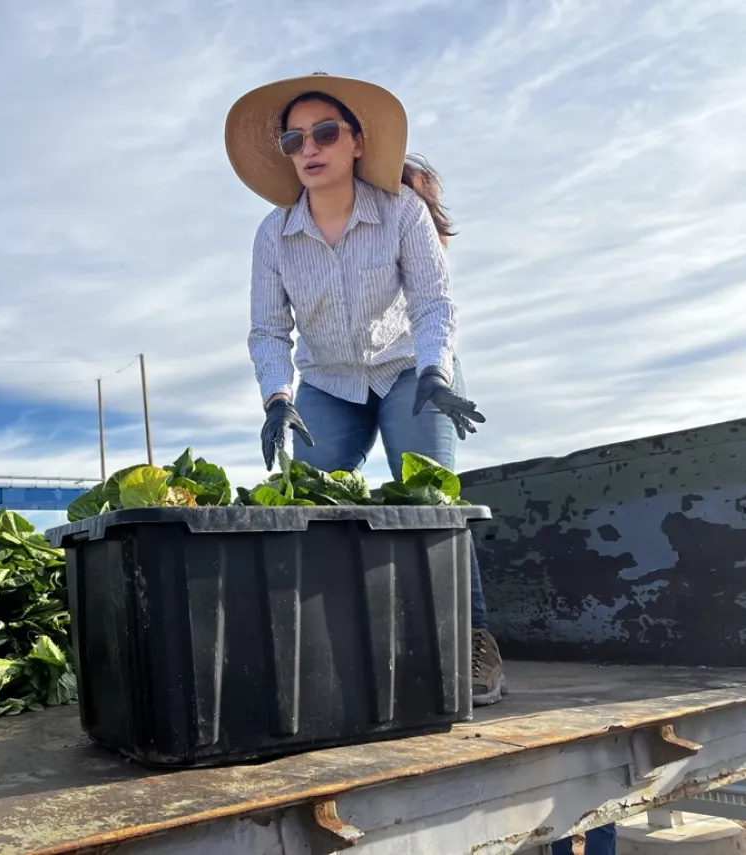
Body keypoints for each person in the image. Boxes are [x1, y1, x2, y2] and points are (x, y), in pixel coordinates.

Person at [223, 71, 615, 855]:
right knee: (310, 510)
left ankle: (472, 642)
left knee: (431, 506)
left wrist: (435, 370)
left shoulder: (400, 212)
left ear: (358, 140)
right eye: (292, 139)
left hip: (411, 368)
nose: (308, 149)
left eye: (324, 133)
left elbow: (435, 305)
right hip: (330, 382)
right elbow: (271, 332)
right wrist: (276, 398)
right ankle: (327, 657)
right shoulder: (274, 235)